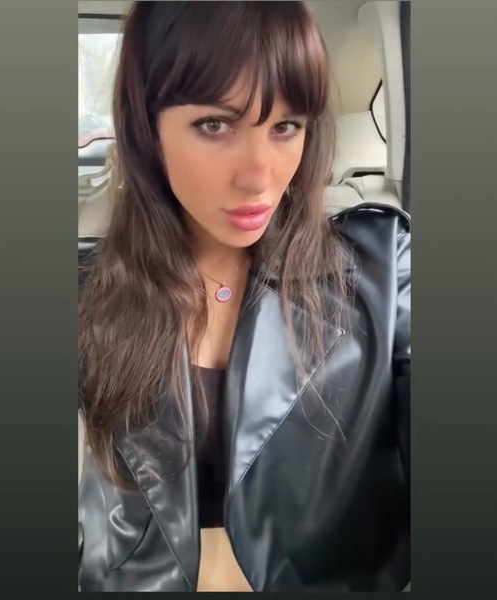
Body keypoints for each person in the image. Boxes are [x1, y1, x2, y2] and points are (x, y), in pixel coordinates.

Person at [78, 0, 410, 592]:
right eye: (215, 125)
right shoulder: (89, 297)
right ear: (146, 129)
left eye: (286, 127)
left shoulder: (385, 272)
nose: (259, 176)